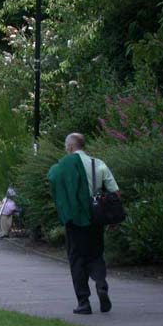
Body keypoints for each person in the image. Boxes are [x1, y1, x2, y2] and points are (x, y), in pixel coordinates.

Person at [48, 132, 120, 315]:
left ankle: (83, 302)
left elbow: (53, 179)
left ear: (70, 146)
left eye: (66, 146)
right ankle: (101, 284)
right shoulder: (98, 163)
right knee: (96, 254)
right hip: (96, 217)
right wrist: (112, 218)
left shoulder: (63, 166)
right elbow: (115, 192)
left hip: (75, 219)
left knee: (77, 258)